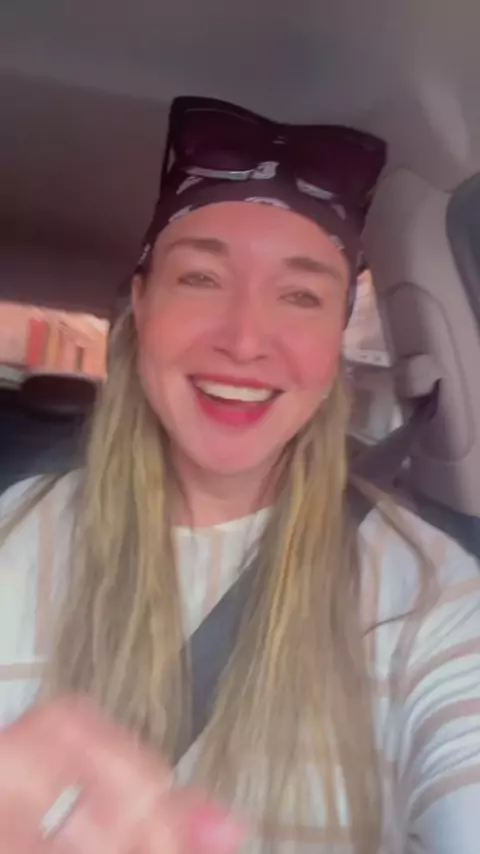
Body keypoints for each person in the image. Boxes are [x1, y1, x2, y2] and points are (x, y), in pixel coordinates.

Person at [1, 96, 479, 854]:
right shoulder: (14, 535)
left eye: (301, 295)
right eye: (201, 278)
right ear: (140, 305)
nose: (247, 339)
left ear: (335, 337)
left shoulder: (431, 595)